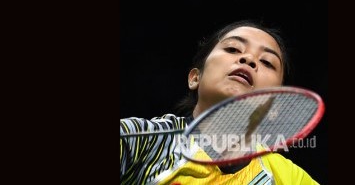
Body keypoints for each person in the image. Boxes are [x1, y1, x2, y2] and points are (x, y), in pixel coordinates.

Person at [120, 20, 320, 184]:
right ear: (195, 78)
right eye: (233, 49)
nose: (249, 58)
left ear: (274, 106)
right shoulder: (143, 140)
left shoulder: (288, 178)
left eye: (267, 62)